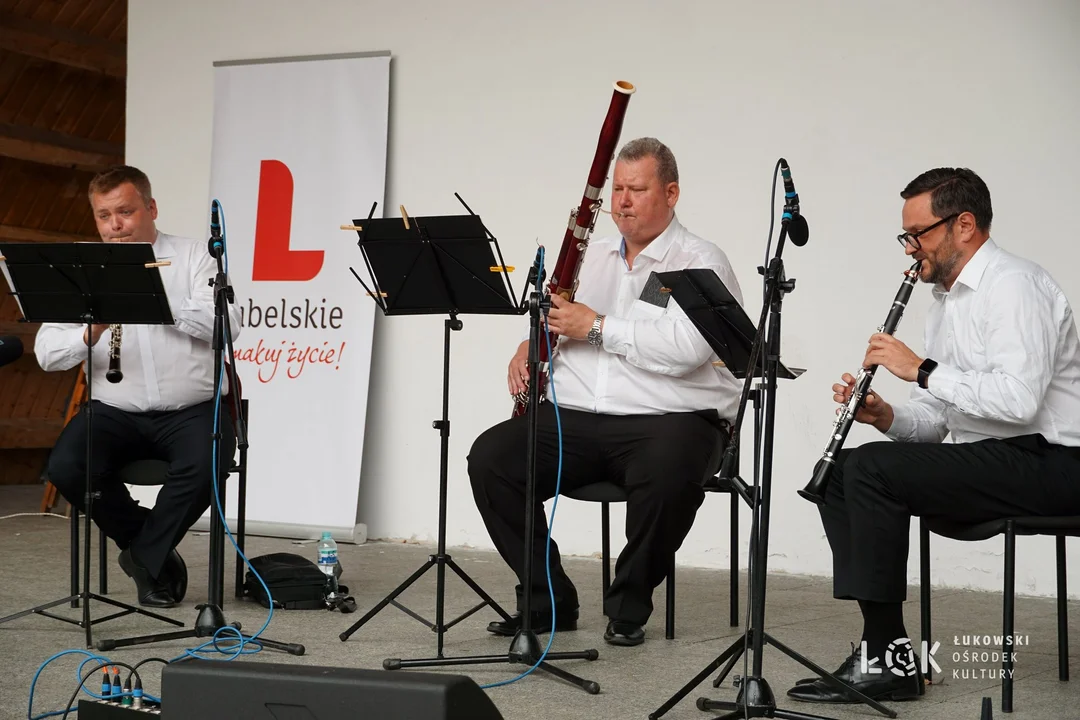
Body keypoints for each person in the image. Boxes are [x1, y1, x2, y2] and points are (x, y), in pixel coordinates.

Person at [787, 167, 1080, 704]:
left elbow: (1020, 402)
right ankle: (888, 653)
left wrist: (920, 368)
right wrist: (886, 417)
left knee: (870, 470)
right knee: (839, 473)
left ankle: (887, 663)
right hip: (990, 459)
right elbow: (941, 417)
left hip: (1053, 462)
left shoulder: (1015, 286)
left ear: (963, 225)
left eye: (917, 234)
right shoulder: (946, 303)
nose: (909, 249)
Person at [468, 137, 745, 646]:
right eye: (617, 188)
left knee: (668, 470)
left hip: (671, 420)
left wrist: (596, 327)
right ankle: (547, 598)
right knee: (491, 458)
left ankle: (629, 604)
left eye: (636, 189)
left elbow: (686, 350)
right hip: (574, 418)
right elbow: (557, 323)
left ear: (671, 193)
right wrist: (527, 345)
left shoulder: (700, 260)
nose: (622, 201)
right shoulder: (590, 257)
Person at [36, 165, 242, 608]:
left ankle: (142, 559)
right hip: (114, 410)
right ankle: (153, 551)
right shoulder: (81, 269)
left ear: (150, 208)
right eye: (104, 216)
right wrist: (91, 330)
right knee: (68, 467)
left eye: (125, 212)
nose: (115, 226)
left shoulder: (195, 258)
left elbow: (230, 327)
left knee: (208, 465)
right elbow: (47, 353)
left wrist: (154, 298)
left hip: (192, 408)